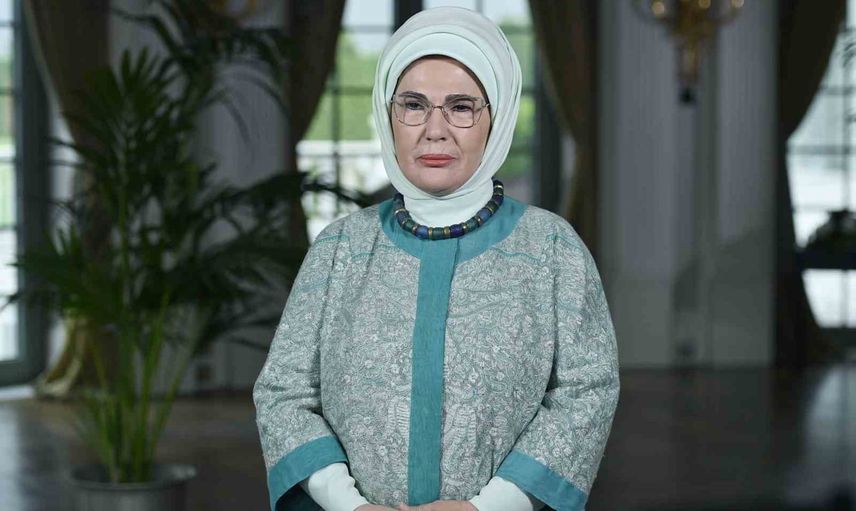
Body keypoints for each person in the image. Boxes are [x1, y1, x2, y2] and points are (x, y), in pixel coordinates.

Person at [253, 7, 620, 511]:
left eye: (462, 107)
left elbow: (586, 391)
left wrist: (487, 508)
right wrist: (349, 505)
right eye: (413, 105)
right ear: (388, 116)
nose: (435, 130)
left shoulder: (552, 250)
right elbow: (284, 391)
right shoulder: (339, 250)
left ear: (496, 119)